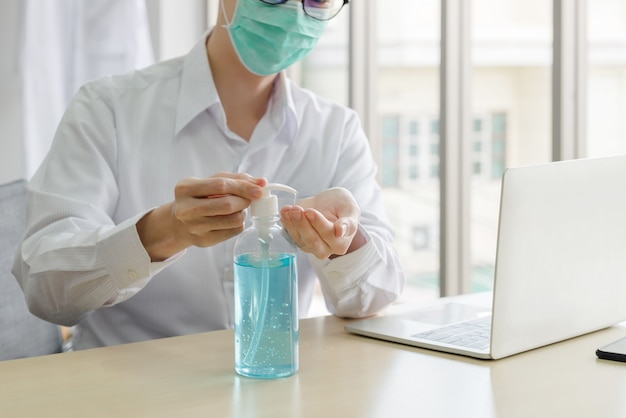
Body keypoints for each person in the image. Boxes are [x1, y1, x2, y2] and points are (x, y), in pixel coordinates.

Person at [12, 0, 405, 350]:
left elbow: (377, 297)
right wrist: (160, 232)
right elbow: (45, 291)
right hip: (126, 395)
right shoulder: (108, 110)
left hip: (273, 385)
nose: (293, 12)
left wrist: (342, 242)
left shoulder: (336, 130)